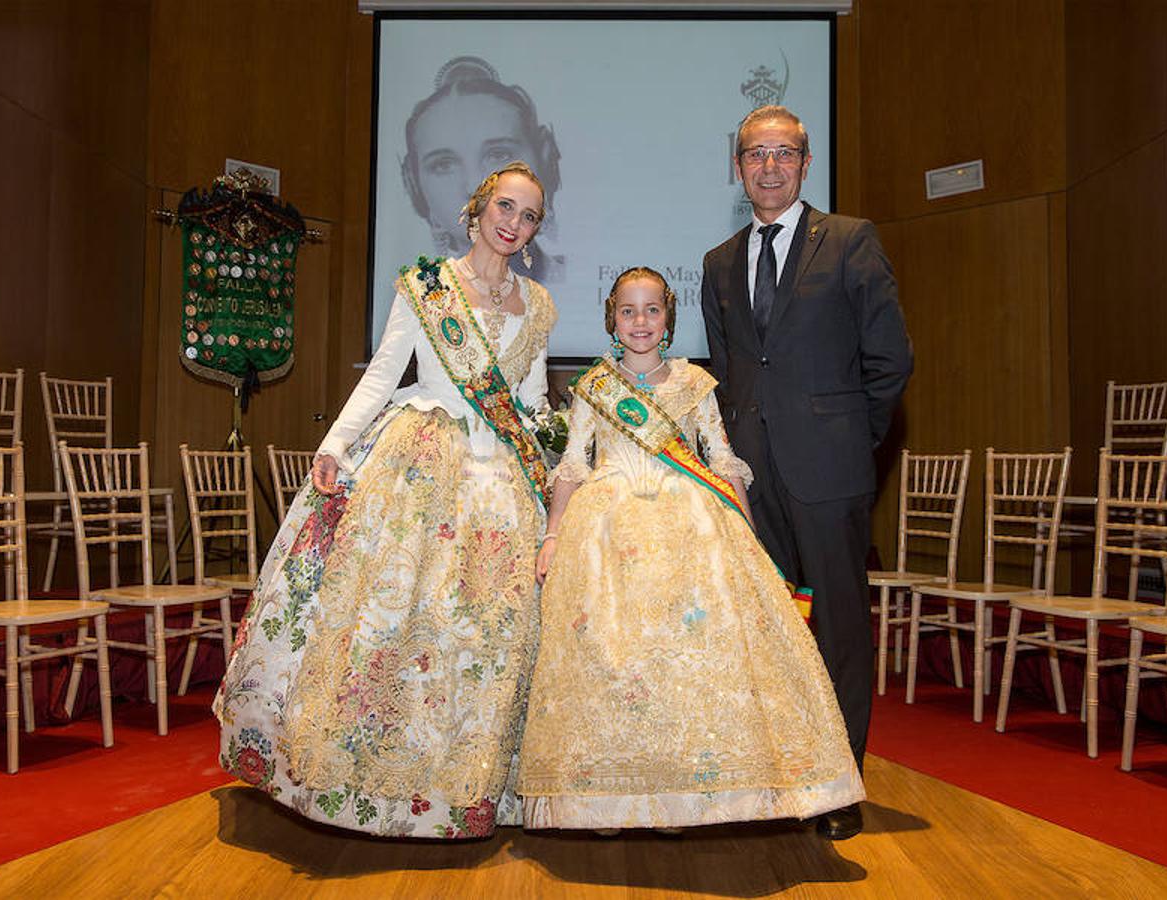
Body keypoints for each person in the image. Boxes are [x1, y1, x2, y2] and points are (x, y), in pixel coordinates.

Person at [214, 162, 558, 838]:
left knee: (484, 637)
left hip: (501, 487)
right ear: (477, 208)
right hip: (422, 466)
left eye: (529, 215)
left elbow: (535, 403)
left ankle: (470, 787)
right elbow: (380, 374)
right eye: (505, 207)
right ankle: (371, 781)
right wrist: (335, 447)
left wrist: (549, 465)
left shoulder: (538, 304)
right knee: (393, 622)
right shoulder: (427, 288)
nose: (513, 223)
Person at [517, 267, 864, 831]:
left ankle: (684, 795)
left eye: (652, 310)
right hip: (606, 527)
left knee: (688, 660)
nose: (640, 322)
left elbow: (722, 462)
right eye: (628, 311)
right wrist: (554, 534)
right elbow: (574, 466)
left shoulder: (693, 384)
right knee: (612, 657)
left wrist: (749, 536)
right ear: (611, 317)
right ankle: (607, 801)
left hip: (689, 520)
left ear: (668, 319)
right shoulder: (593, 387)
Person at [700, 106, 912, 841]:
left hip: (832, 475)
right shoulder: (718, 261)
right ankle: (783, 774)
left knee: (840, 630)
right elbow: (728, 375)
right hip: (752, 484)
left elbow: (890, 363)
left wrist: (852, 444)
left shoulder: (851, 241)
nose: (768, 166)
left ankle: (840, 786)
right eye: (754, 154)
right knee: (771, 631)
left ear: (805, 162)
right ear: (738, 167)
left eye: (782, 153)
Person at [401, 56, 565, 280]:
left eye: (499, 155)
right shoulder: (420, 301)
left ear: (544, 159)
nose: (473, 186)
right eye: (443, 165)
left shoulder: (579, 285)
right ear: (414, 184)